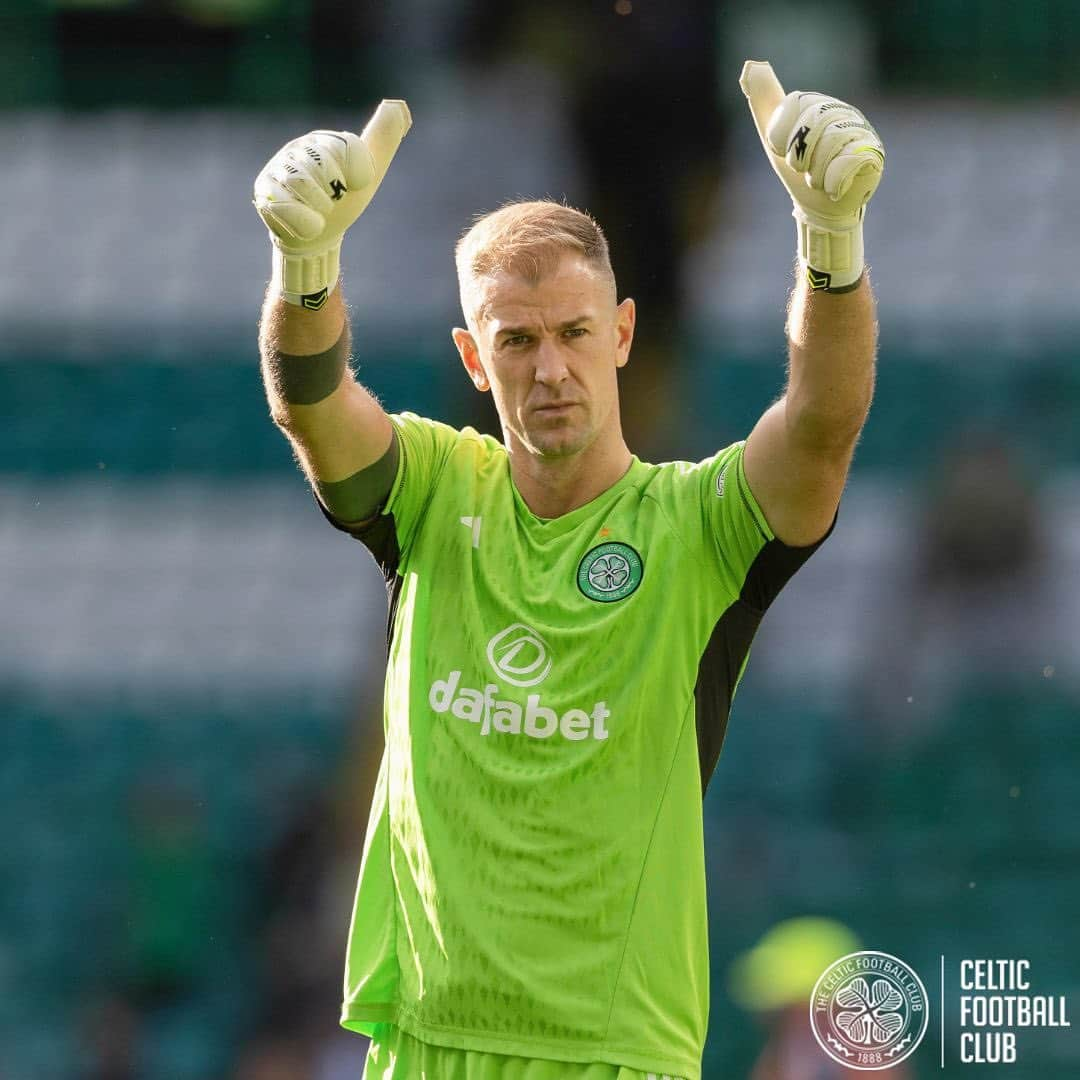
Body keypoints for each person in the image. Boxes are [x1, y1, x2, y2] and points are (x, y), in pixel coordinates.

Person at [253, 61, 883, 1080]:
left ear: (623, 334)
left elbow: (822, 424)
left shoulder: (697, 527)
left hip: (612, 1054)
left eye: (577, 334)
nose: (550, 368)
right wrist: (305, 267)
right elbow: (313, 413)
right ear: (472, 358)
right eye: (518, 340)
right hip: (421, 1044)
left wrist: (832, 251)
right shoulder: (431, 489)